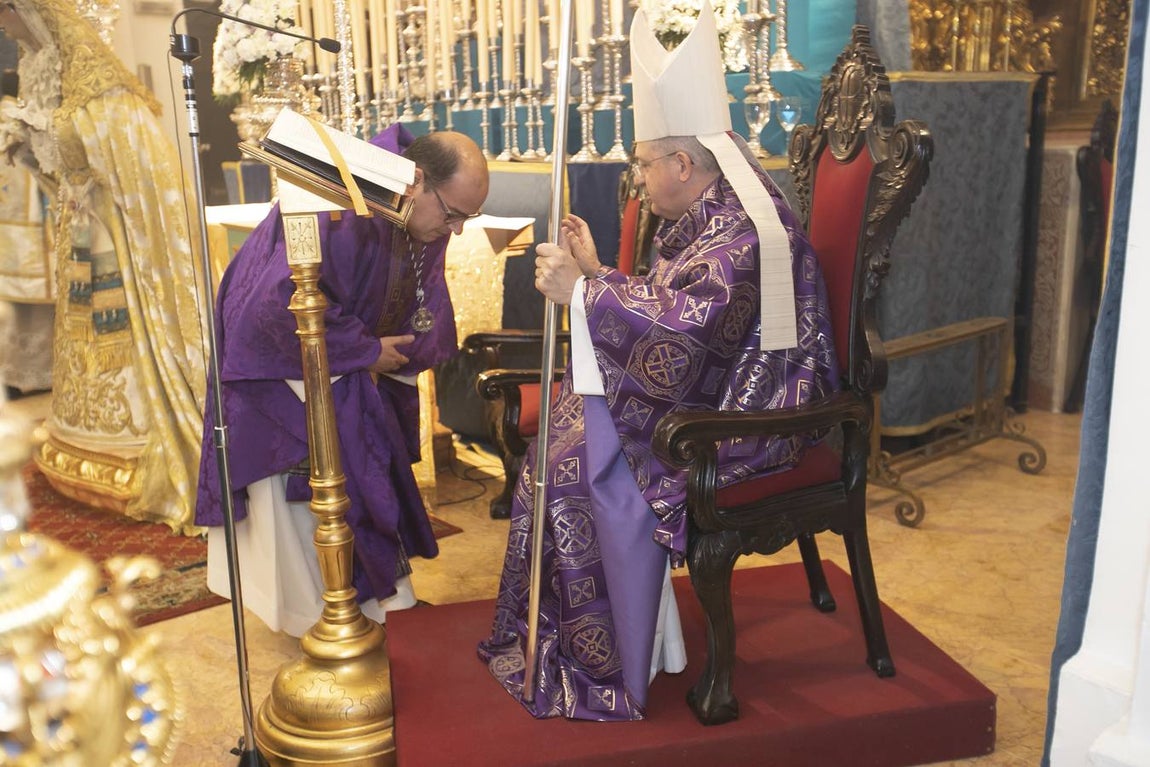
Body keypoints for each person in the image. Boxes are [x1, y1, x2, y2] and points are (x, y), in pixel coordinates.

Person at [477, 0, 840, 721]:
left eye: (644, 162)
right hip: (711, 391)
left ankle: (612, 659)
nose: (637, 178)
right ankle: (618, 637)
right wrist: (597, 279)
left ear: (683, 161)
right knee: (563, 434)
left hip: (751, 418)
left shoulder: (741, 227)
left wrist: (583, 291)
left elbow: (681, 336)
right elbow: (674, 307)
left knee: (581, 467)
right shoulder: (710, 205)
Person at [194, 126, 489, 638]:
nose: (457, 230)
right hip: (282, 373)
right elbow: (273, 308)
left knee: (364, 470)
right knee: (330, 484)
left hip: (341, 367)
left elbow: (418, 292)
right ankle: (324, 616)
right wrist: (366, 349)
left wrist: (396, 351)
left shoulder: (413, 208)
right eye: (454, 215)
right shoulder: (346, 202)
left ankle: (383, 605)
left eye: (469, 218)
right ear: (417, 181)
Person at [0, 0, 207, 532]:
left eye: (7, 12)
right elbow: (62, 169)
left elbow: (106, 146)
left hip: (119, 236)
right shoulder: (48, 73)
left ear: (35, 12)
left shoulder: (105, 89)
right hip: (80, 230)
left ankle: (137, 450)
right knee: (83, 339)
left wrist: (39, 125)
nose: (4, 25)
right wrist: (26, 146)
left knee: (125, 341)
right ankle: (80, 440)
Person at [0, 68, 53, 398]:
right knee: (35, 309)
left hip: (12, 234)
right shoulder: (21, 119)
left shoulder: (17, 120)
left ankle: (17, 376)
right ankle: (39, 375)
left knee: (18, 310)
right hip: (33, 230)